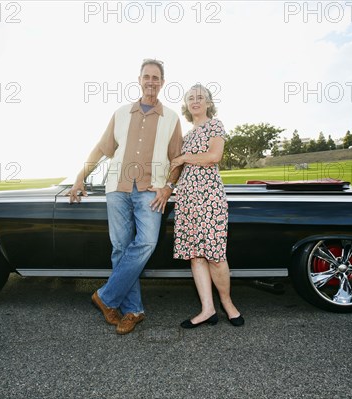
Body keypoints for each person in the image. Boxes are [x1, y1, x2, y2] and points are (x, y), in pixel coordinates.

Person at [69, 59, 183, 335]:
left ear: (163, 82)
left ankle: (106, 296)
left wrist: (168, 187)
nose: (151, 82)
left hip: (151, 190)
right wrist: (79, 177)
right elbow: (101, 148)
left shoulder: (171, 118)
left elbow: (177, 159)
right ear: (139, 79)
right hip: (117, 188)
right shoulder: (121, 113)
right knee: (120, 248)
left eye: (156, 78)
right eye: (147, 76)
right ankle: (133, 310)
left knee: (146, 243)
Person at [170, 84, 244, 329]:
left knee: (215, 254)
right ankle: (207, 309)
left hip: (210, 198)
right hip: (187, 199)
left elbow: (213, 156)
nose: (195, 101)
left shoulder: (215, 125)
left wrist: (182, 158)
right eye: (190, 97)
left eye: (200, 97)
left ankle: (228, 304)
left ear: (209, 103)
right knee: (196, 256)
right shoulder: (187, 135)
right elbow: (176, 169)